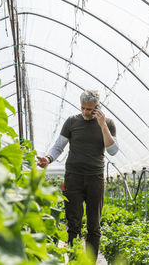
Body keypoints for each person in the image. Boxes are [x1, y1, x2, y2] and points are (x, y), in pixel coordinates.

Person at [37, 89, 118, 260]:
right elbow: (59, 146)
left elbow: (113, 150)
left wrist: (102, 125)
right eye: (83, 108)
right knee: (73, 224)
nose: (86, 112)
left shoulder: (108, 124)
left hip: (95, 178)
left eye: (90, 109)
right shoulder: (72, 122)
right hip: (73, 177)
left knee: (94, 226)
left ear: (97, 107)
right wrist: (48, 158)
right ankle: (74, 261)